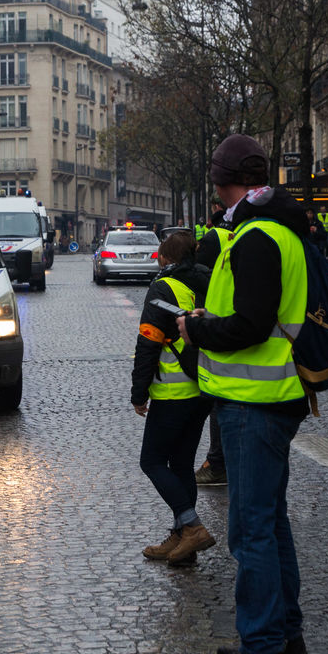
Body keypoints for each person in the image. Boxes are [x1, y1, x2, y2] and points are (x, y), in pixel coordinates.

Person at [178, 134, 310, 654]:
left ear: (219, 180)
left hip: (255, 401)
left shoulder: (256, 237)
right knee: (270, 524)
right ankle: (285, 638)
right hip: (270, 397)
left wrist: (198, 329)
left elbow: (252, 325)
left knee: (251, 530)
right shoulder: (275, 230)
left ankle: (262, 649)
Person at [131, 230, 216, 567]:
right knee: (181, 464)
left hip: (173, 391)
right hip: (204, 388)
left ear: (165, 258)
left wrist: (139, 392)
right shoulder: (210, 282)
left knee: (151, 461)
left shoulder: (163, 287)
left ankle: (192, 526)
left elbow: (149, 343)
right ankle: (183, 540)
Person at [192, 210, 234, 486]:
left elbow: (201, 274)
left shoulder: (214, 237)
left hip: (222, 330)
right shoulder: (265, 235)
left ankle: (217, 463)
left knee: (219, 400)